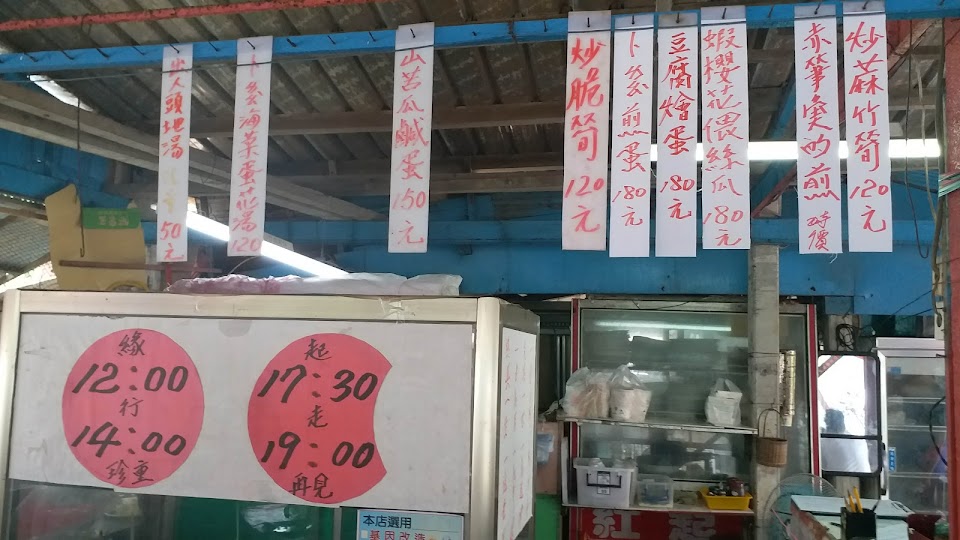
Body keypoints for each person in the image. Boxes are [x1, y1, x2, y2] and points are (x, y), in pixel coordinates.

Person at [820, 409, 875, 473]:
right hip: (867, 477)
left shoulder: (825, 442)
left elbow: (820, 465)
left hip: (841, 478)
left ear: (828, 425)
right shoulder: (858, 440)